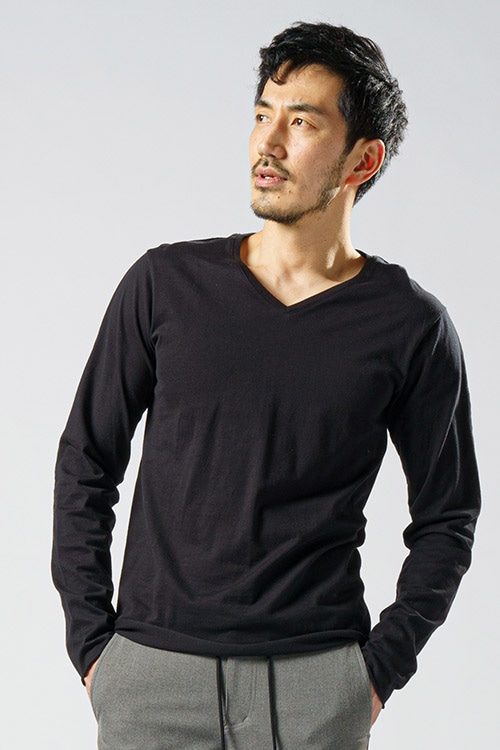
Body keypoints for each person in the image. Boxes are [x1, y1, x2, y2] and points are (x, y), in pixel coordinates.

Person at [52, 21, 480, 750]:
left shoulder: (411, 326)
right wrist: (94, 646)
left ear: (363, 158)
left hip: (316, 685)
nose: (268, 143)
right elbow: (86, 461)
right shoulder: (164, 285)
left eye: (302, 122)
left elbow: (448, 515)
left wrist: (376, 674)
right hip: (151, 676)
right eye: (262, 115)